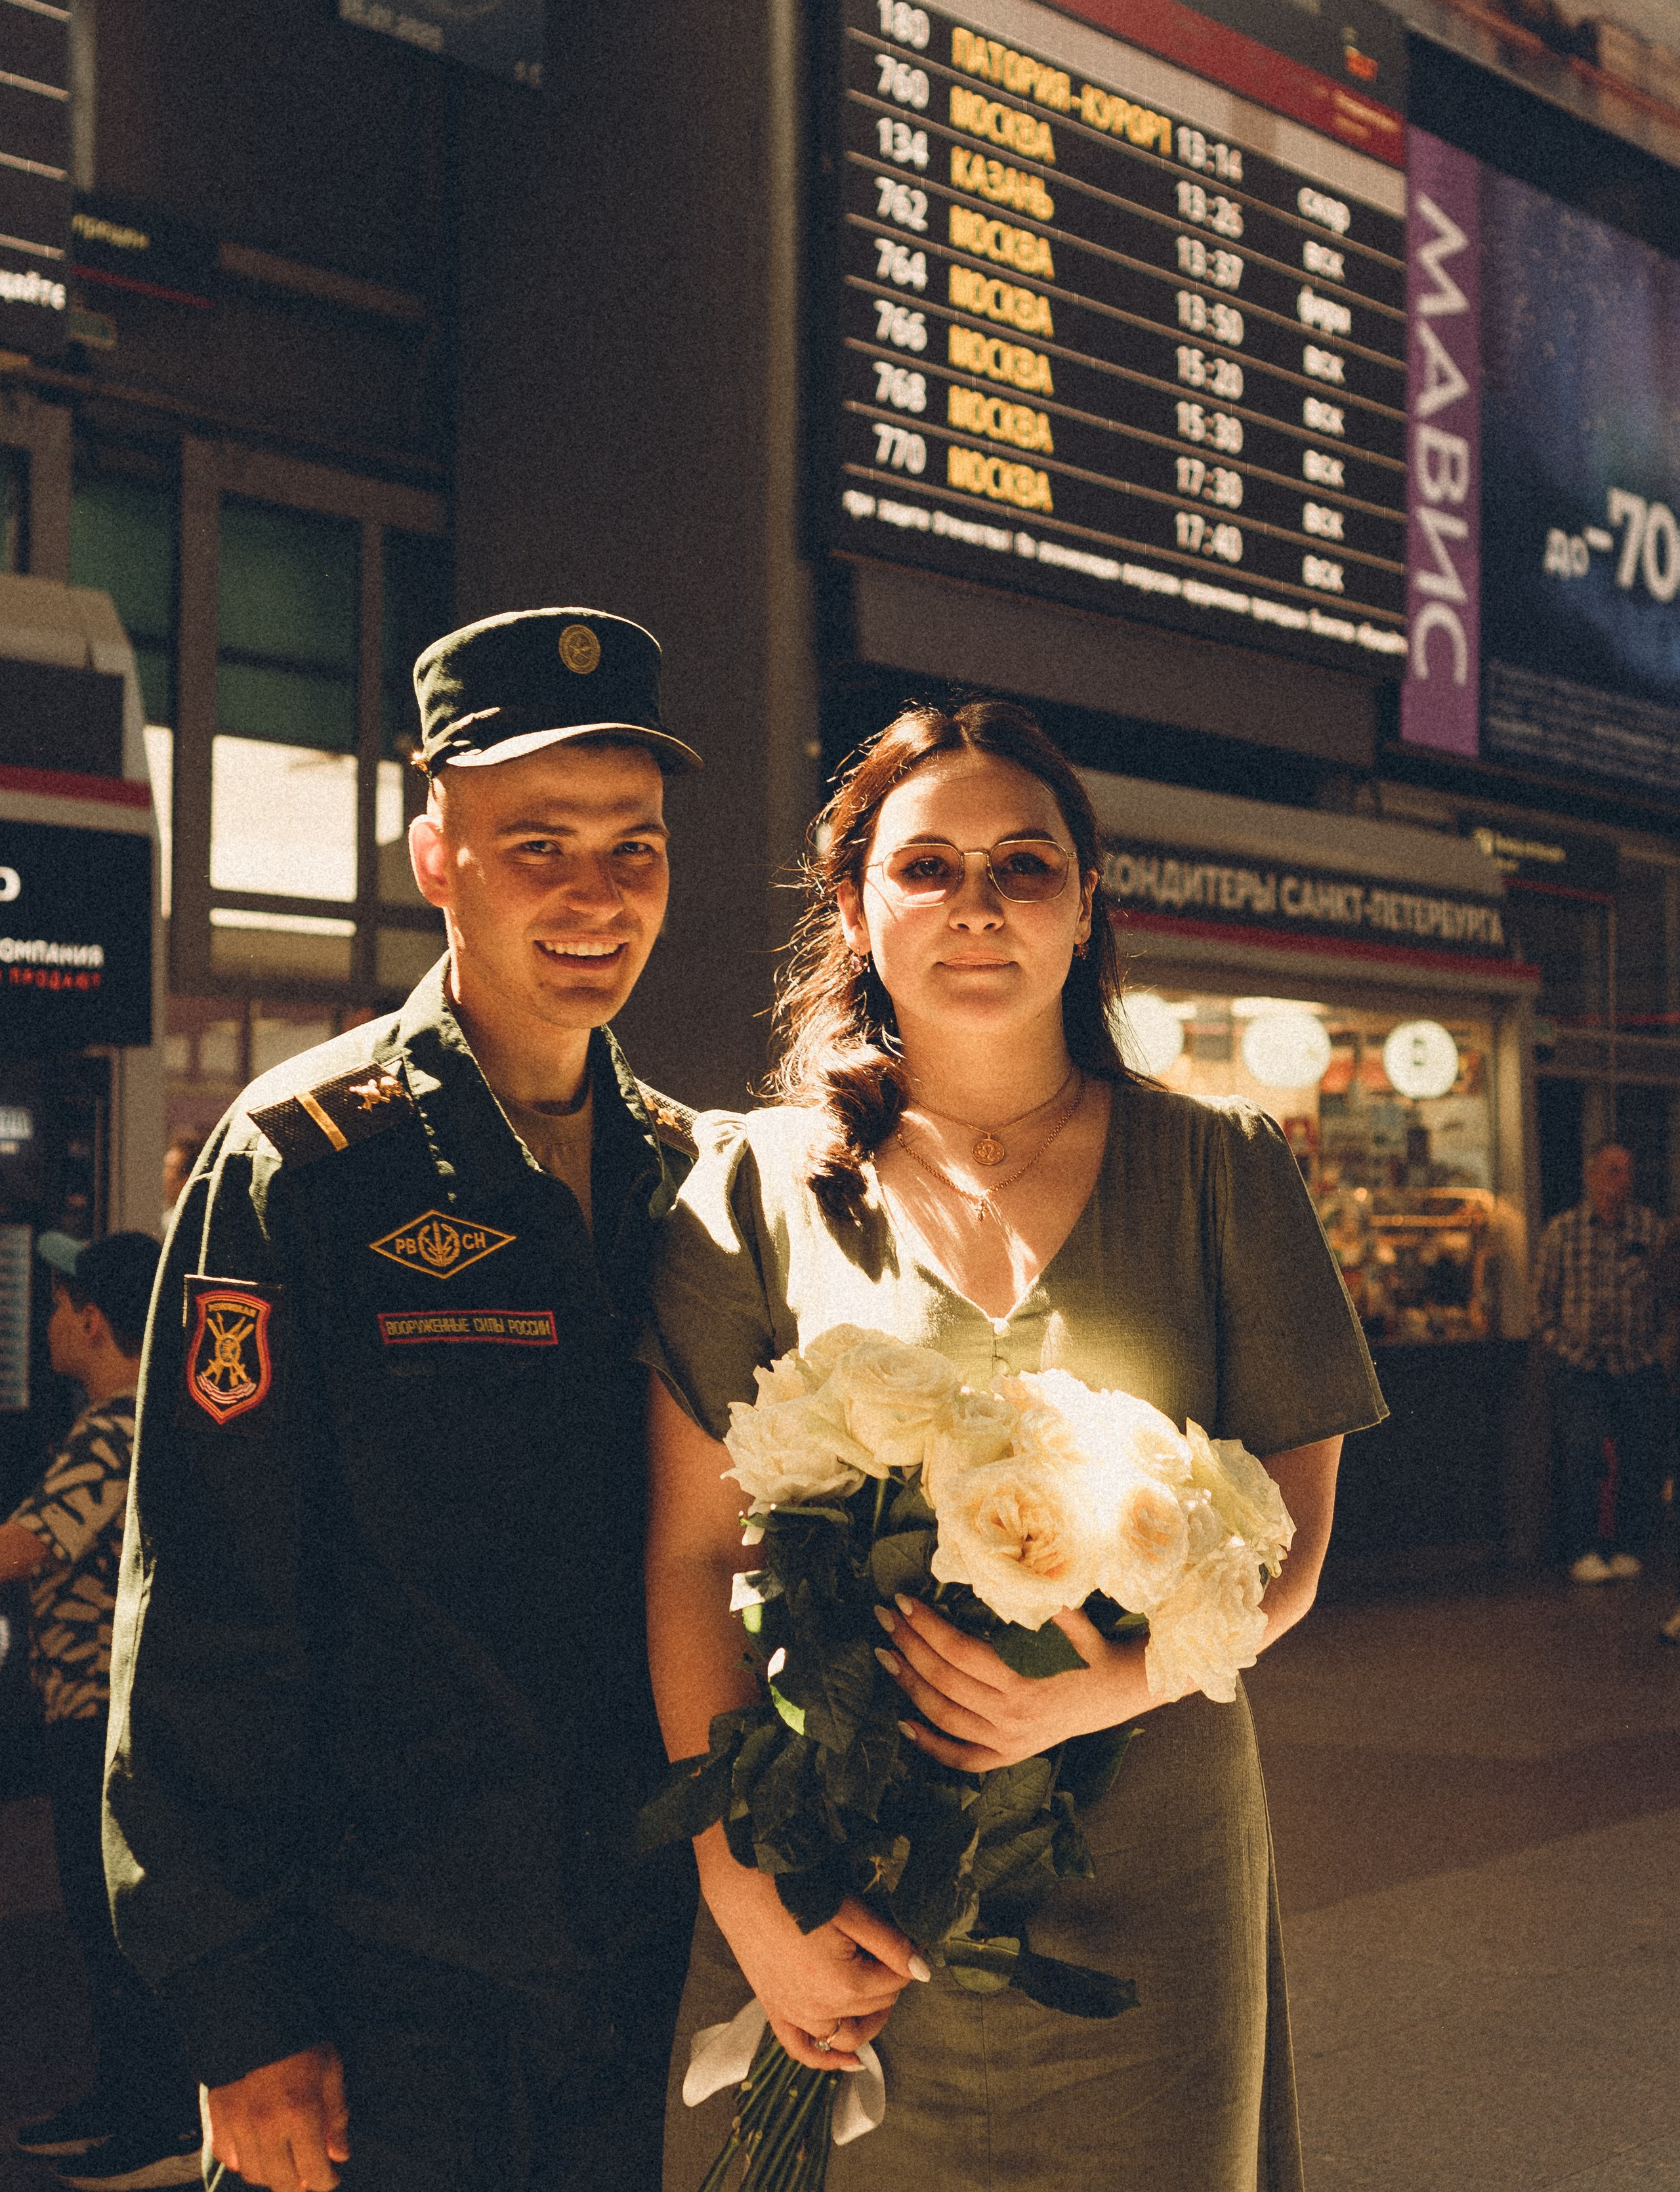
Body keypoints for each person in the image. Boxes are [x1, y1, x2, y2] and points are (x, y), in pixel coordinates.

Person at [641, 699, 1387, 2192]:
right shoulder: (752, 1188)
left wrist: (1103, 1687)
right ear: (855, 908)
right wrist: (745, 1897)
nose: (975, 903)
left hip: (1152, 1868)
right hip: (835, 1874)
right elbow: (688, 1556)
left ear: (1084, 906)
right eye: (926, 866)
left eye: (1022, 865)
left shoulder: (1222, 1169)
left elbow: (1294, 1543)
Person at [104, 609, 704, 2192]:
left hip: (641, 1969)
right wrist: (239, 2011)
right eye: (538, 845)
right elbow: (208, 1603)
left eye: (632, 847)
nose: (594, 894)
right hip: (387, 1994)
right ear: (436, 855)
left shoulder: (699, 1179)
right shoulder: (303, 1164)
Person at [0, 1229, 202, 2191]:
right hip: (97, 1715)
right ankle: (123, 2102)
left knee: (115, 1923)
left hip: (104, 1719)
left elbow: (29, 1544)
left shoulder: (116, 1428)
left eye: (57, 1305)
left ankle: (158, 2123)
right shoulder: (132, 1420)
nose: (46, 1322)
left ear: (91, 1321)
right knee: (101, 1920)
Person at [1534, 1141, 1669, 1584]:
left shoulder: (1649, 1229)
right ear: (1591, 1176)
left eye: (1627, 1171)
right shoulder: (1564, 1232)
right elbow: (1544, 1301)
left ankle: (1629, 1545)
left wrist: (1660, 1346)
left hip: (1636, 1361)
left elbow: (1666, 1291)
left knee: (1639, 1455)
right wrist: (1560, 1344)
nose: (1622, 1181)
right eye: (1612, 1171)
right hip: (1581, 1362)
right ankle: (1584, 1549)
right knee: (1582, 1454)